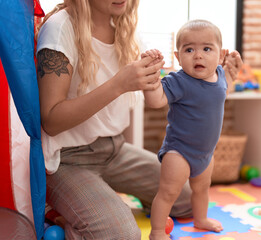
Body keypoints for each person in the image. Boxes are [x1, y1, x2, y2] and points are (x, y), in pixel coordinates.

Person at [35, 0, 195, 239]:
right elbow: (51, 120)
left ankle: (97, 203)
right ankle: (57, 212)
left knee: (186, 196)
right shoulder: (61, 27)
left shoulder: (124, 29)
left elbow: (156, 94)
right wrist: (119, 84)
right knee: (122, 234)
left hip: (114, 149)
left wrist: (216, 76)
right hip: (66, 159)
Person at [141, 19, 243, 240]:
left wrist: (232, 68)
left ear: (220, 53)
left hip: (206, 152)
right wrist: (149, 79)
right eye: (189, 49)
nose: (198, 55)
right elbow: (156, 101)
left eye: (207, 48)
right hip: (179, 151)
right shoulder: (179, 81)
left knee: (202, 189)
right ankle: (157, 231)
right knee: (168, 192)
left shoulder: (220, 75)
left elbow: (223, 93)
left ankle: (201, 219)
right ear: (178, 57)